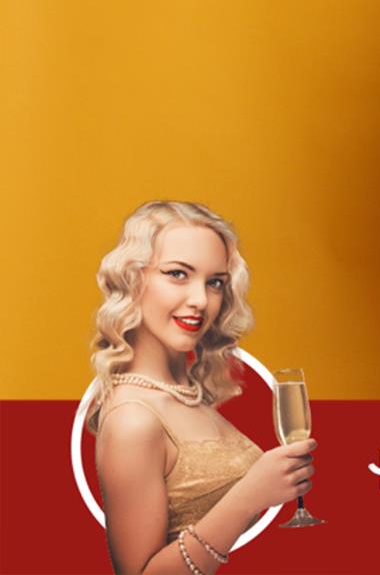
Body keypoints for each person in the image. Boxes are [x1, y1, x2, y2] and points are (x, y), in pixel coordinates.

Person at [87, 201, 315, 575]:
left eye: (215, 283)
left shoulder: (189, 395)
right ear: (132, 279)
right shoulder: (133, 420)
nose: (200, 301)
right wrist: (248, 496)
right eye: (177, 274)